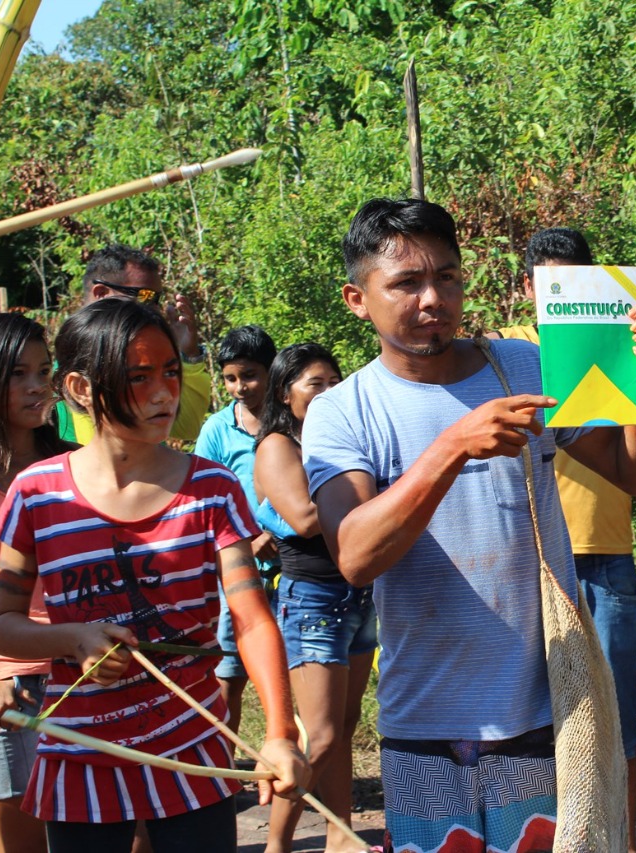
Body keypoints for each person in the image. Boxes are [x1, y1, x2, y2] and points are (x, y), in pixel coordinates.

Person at [301, 198, 636, 853]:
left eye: (447, 277)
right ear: (357, 299)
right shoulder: (342, 413)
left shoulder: (521, 367)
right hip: (424, 725)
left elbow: (635, 476)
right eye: (407, 283)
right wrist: (451, 446)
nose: (433, 297)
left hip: (544, 708)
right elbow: (355, 554)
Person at [0, 298, 309, 853]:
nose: (165, 392)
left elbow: (253, 620)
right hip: (79, 761)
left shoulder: (211, 489)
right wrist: (72, 638)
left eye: (170, 371)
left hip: (192, 753)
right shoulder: (37, 494)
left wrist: (280, 735)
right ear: (82, 388)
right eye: (139, 377)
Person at [493, 226, 636, 852]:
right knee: (544, 722)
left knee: (619, 716)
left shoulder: (618, 353)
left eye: (577, 283)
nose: (563, 296)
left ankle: (622, 841)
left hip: (610, 559)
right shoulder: (506, 357)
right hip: (535, 563)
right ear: (528, 289)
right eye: (551, 284)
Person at [255, 343, 376, 853]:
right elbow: (306, 518)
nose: (328, 392)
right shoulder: (278, 447)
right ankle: (276, 843)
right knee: (320, 735)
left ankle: (340, 836)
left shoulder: (340, 439)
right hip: (313, 599)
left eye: (334, 382)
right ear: (286, 393)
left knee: (344, 728)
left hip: (360, 594)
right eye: (315, 384)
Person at [0, 313, 71, 853]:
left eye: (44, 371)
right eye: (18, 374)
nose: (37, 386)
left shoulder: (72, 467)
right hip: (7, 687)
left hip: (81, 673)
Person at [194, 324, 281, 737]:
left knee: (290, 670)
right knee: (229, 671)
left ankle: (290, 762)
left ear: (271, 372)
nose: (240, 387)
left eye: (249, 375)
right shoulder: (216, 430)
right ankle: (224, 767)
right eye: (230, 378)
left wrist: (275, 532)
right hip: (238, 568)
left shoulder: (292, 421)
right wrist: (248, 539)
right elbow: (202, 498)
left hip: (290, 564)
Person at [55, 244, 210, 445]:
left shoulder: (151, 356)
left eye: (157, 299)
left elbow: (188, 427)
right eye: (145, 296)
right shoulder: (51, 376)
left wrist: (187, 355)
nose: (155, 309)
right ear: (101, 293)